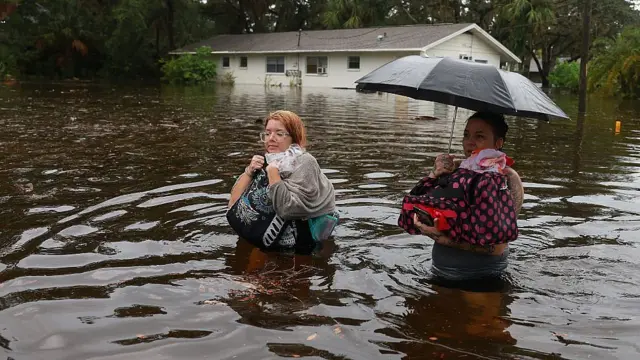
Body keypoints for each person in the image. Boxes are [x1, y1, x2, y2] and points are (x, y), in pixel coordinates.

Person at [398, 112, 524, 280]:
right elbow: (418, 203)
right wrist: (435, 174)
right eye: (466, 135)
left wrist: (442, 239)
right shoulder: (457, 170)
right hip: (441, 270)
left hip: (481, 276)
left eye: (479, 136)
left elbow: (496, 247)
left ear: (498, 143)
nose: (469, 142)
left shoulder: (505, 178)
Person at [226, 110, 338, 254]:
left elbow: (289, 209)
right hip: (268, 239)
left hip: (301, 246)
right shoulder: (270, 159)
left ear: (293, 138)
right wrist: (249, 171)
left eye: (279, 134)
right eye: (267, 133)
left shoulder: (304, 162)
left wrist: (273, 174)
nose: (271, 138)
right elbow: (233, 204)